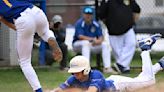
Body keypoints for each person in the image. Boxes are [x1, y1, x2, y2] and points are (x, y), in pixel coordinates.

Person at [51, 34, 164, 92]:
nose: (74, 75)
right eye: (73, 72)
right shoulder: (74, 79)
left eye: (76, 72)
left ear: (85, 70)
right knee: (143, 79)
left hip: (120, 85)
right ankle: (160, 65)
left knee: (149, 80)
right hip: (114, 83)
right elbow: (60, 89)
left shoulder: (96, 75)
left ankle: (145, 49)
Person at [0, 1, 63, 92]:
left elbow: (2, 18)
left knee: (24, 62)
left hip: (22, 19)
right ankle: (50, 37)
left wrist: (20, 29)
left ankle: (38, 90)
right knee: (44, 32)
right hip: (36, 12)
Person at [98, 0, 141, 73]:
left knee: (132, 44)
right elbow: (101, 14)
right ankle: (124, 68)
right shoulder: (107, 1)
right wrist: (109, 23)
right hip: (113, 30)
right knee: (118, 52)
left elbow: (137, 9)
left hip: (128, 28)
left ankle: (120, 65)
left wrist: (134, 19)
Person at [72, 6, 116, 74]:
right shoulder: (79, 23)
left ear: (92, 15)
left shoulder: (96, 24)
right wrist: (93, 39)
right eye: (86, 14)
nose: (88, 16)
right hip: (77, 45)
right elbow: (80, 36)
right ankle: (86, 68)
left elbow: (101, 37)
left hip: (92, 44)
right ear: (83, 14)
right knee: (85, 43)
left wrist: (98, 41)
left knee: (105, 44)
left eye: (90, 14)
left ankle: (107, 68)